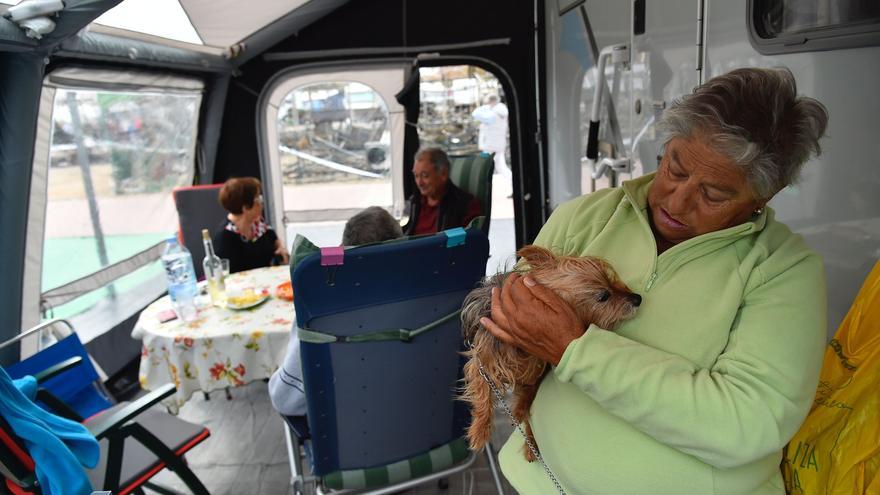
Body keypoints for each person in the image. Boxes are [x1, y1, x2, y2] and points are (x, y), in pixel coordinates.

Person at [481, 68, 829, 494]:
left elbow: (748, 423)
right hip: (540, 480)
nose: (677, 202)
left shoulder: (783, 270)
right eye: (675, 168)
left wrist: (576, 350)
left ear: (764, 196)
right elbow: (510, 321)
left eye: (713, 194)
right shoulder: (586, 217)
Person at [269, 206, 404, 416]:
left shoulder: (320, 313)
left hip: (346, 438)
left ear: (342, 249)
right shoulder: (427, 301)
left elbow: (285, 400)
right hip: (418, 430)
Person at [213, 177, 289, 274]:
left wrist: (280, 247)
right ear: (245, 207)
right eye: (258, 198)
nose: (261, 203)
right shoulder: (225, 238)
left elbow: (273, 239)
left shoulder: (257, 224)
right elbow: (229, 277)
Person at [403, 147, 482, 235]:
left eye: (424, 175)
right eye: (416, 176)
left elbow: (470, 242)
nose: (419, 183)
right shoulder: (415, 202)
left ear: (443, 174)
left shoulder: (466, 205)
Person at [472, 93, 510, 180]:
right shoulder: (502, 111)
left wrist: (485, 107)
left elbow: (475, 113)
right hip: (498, 144)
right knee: (500, 165)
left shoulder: (492, 114)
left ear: (492, 102)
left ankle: (483, 182)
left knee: (485, 164)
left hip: (490, 145)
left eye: (488, 103)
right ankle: (511, 180)